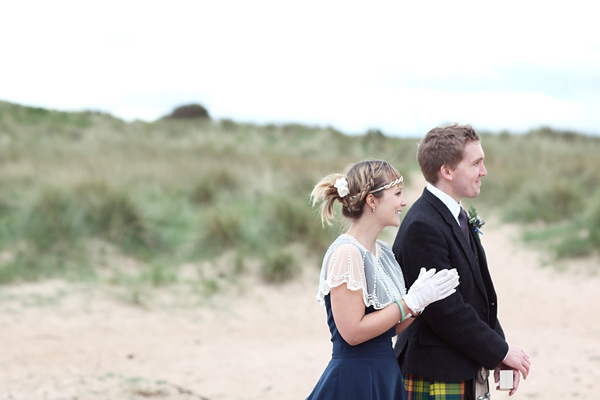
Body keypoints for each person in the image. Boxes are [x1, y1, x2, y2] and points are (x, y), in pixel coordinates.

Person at [392, 124, 531, 399]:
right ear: (447, 171)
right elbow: (446, 310)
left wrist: (497, 349)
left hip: (459, 364)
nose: (484, 171)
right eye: (476, 163)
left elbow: (477, 295)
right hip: (434, 372)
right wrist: (500, 351)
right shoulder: (423, 225)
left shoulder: (454, 213)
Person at [306, 159, 460, 400]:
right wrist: (408, 303)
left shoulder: (384, 252)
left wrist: (420, 304)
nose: (404, 201)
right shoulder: (347, 253)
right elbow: (353, 333)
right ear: (372, 201)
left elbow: (386, 330)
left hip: (384, 373)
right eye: (397, 193)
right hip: (354, 379)